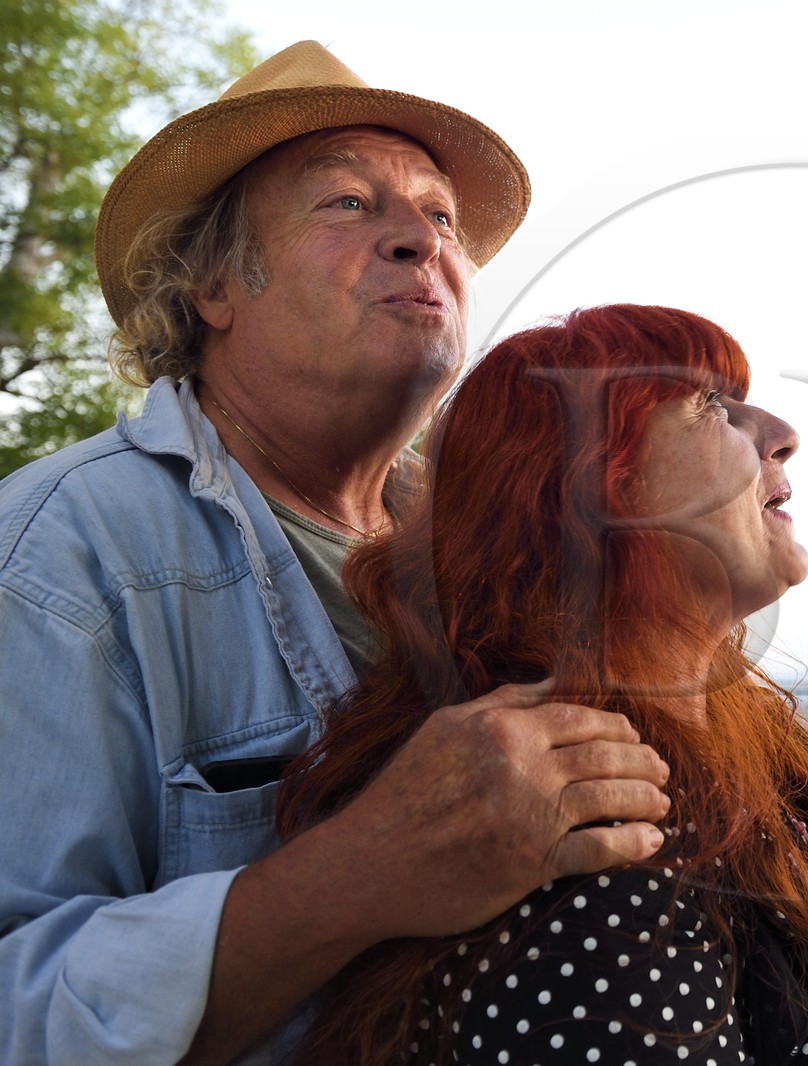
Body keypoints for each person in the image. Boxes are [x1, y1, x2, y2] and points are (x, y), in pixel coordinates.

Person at [0, 43, 670, 1065]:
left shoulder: (495, 547)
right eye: (349, 203)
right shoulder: (57, 554)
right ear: (212, 284)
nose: (421, 238)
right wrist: (358, 873)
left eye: (441, 215)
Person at [275, 305, 808, 1065]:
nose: (782, 432)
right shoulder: (586, 825)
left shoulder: (740, 744)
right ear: (591, 492)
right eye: (710, 405)